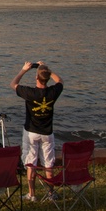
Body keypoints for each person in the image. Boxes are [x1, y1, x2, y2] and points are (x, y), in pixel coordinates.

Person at [11, 61, 64, 201]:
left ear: (36, 78)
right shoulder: (53, 92)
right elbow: (60, 81)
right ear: (47, 78)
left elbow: (13, 84)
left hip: (31, 132)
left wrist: (23, 70)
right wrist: (46, 69)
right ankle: (51, 193)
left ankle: (32, 194)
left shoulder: (30, 93)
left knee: (31, 163)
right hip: (47, 133)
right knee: (48, 164)